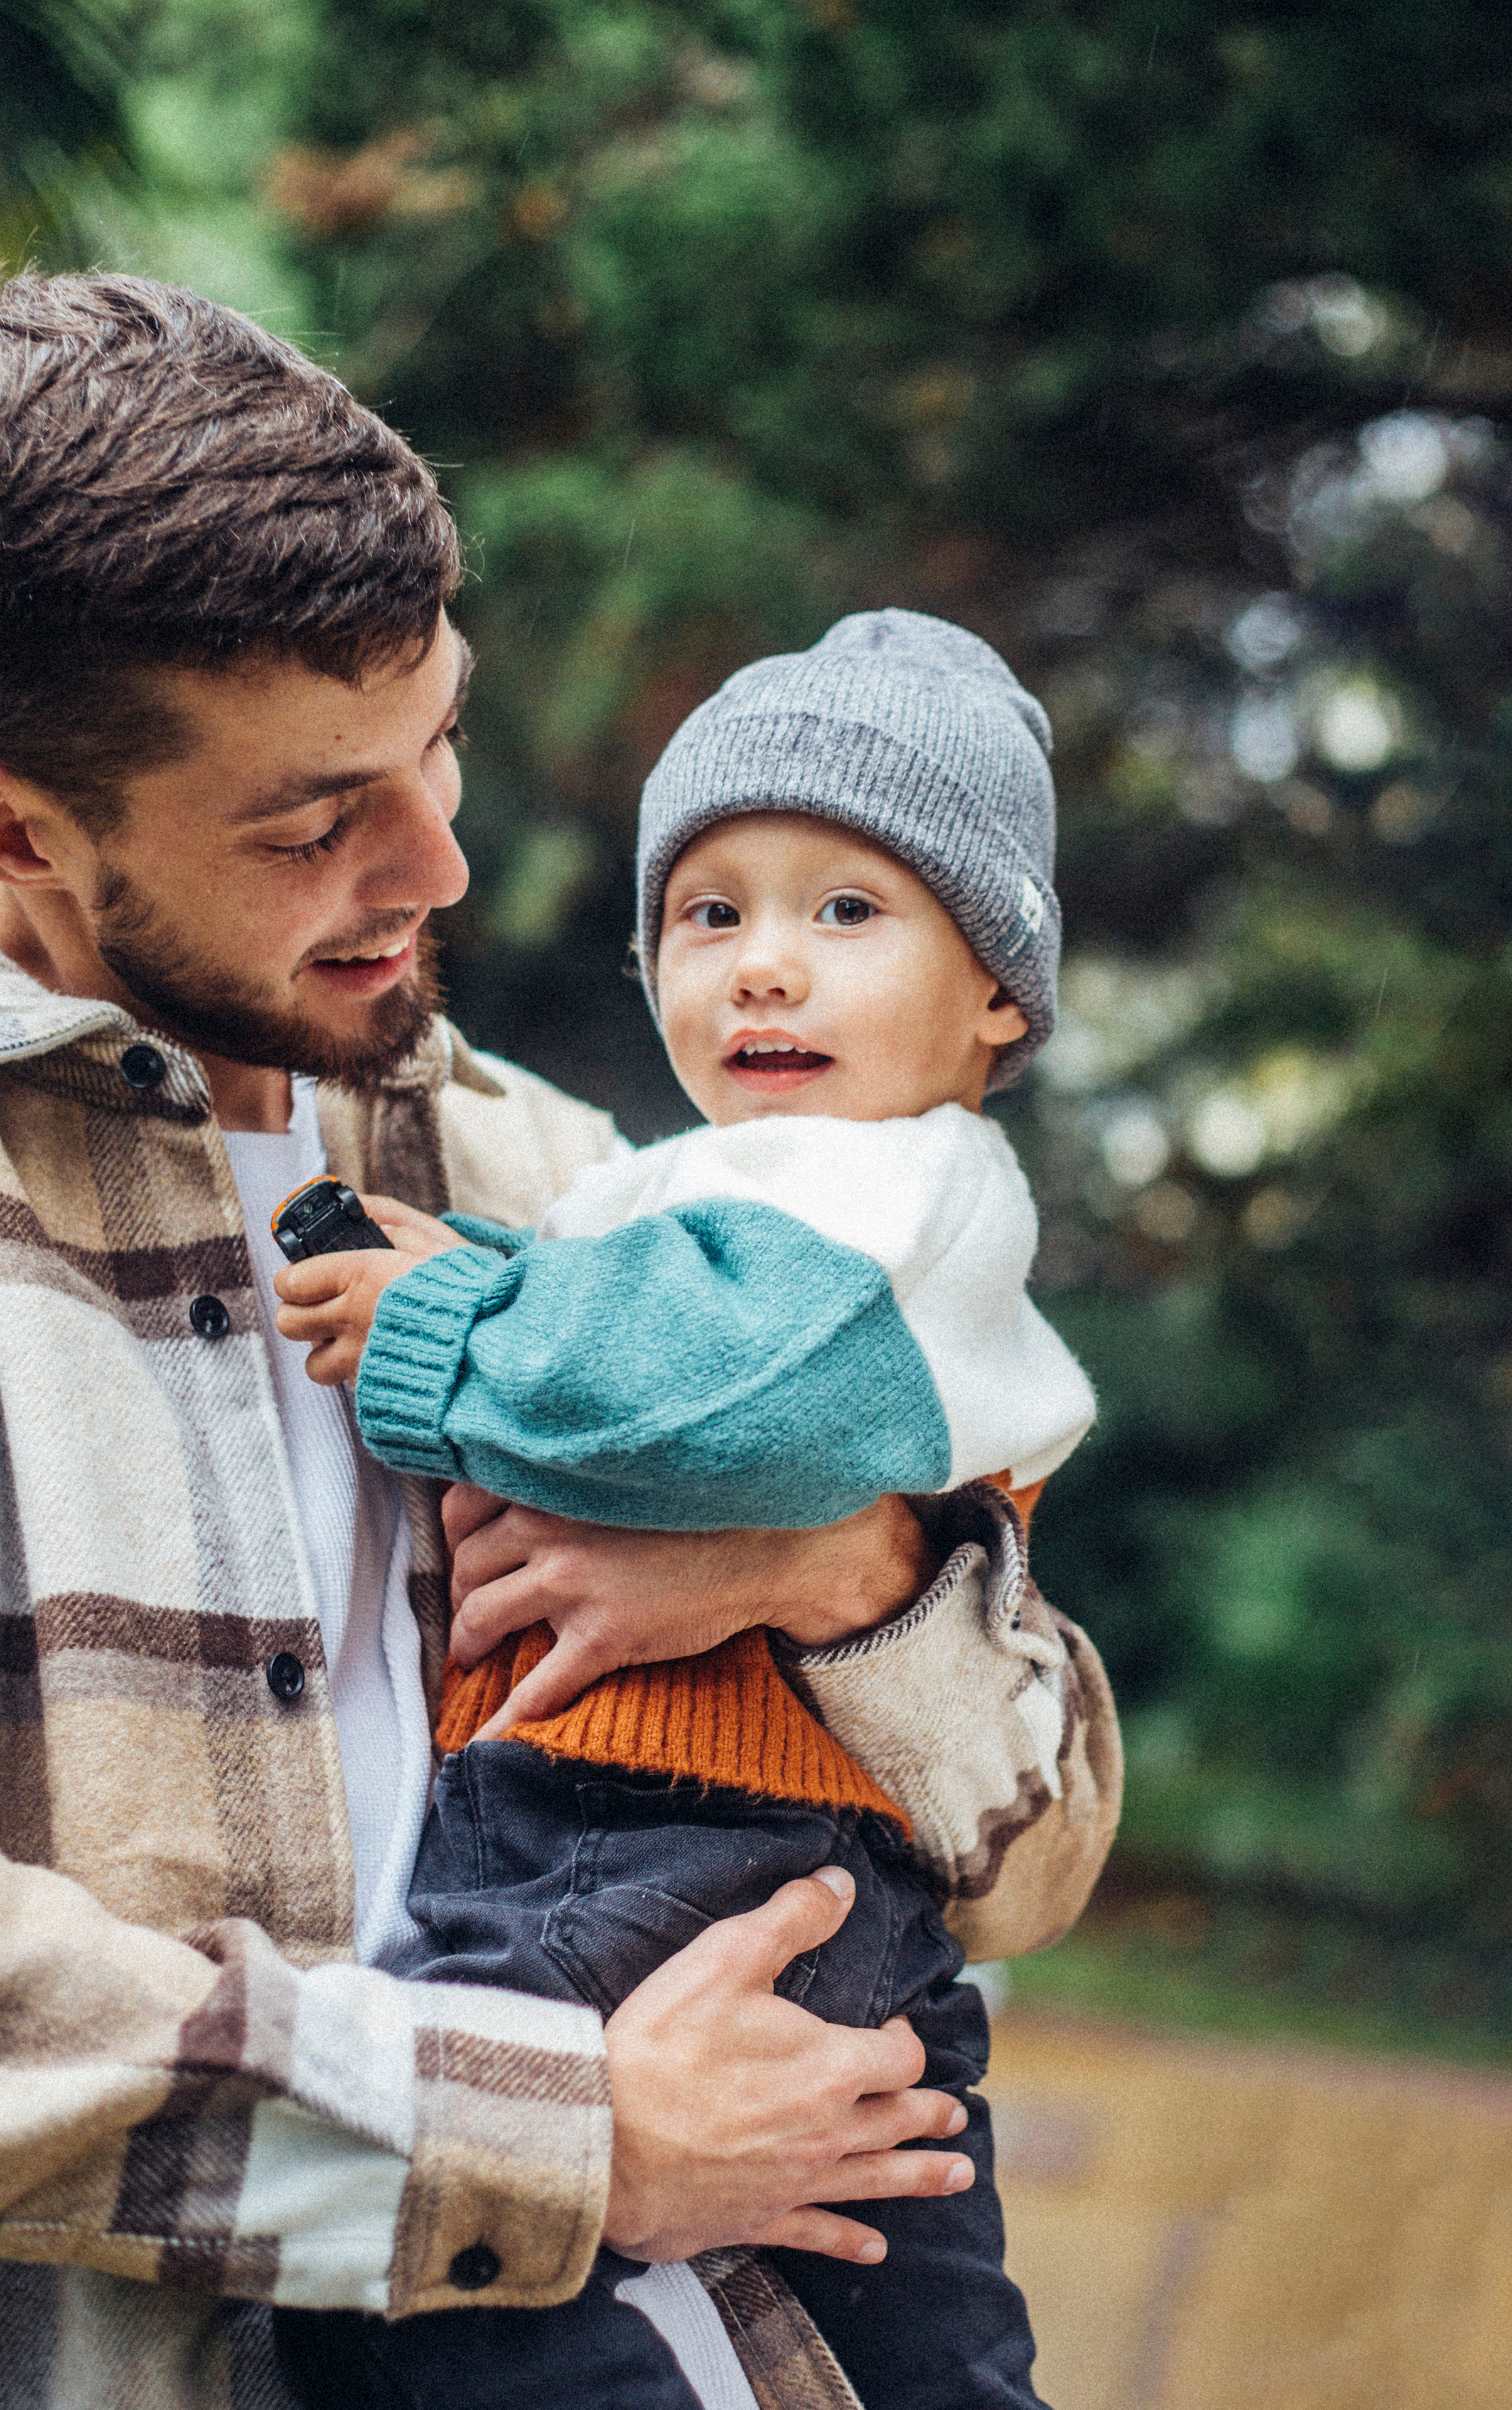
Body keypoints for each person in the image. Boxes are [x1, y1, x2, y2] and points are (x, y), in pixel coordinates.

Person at [0, 274, 1122, 2410]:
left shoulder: (574, 1180)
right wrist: (555, 2140)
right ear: (21, 829)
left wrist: (858, 1584)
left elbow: (1047, 1831)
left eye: (439, 742)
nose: (441, 861)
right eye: (315, 819)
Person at [271, 612, 1097, 2410]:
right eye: (711, 913)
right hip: (771, 1859)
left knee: (394, 2271)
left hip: (649, 1842)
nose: (763, 970)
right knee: (936, 2335)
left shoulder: (900, 1192)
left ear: (1000, 997)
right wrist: (472, 1264)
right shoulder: (692, 1182)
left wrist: (433, 1334)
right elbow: (614, 1294)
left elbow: (718, 1389)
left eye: (847, 912)